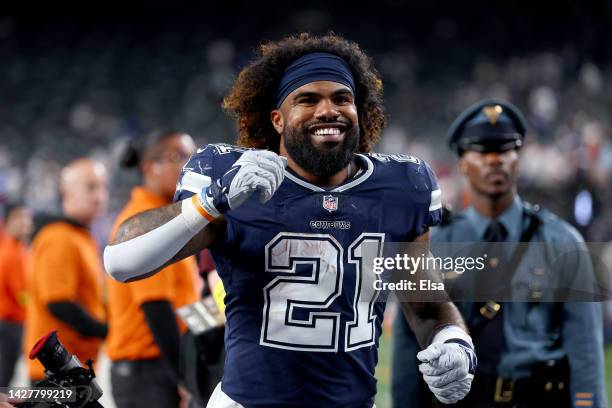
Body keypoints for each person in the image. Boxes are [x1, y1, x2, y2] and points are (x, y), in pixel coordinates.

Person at [104, 33, 477, 407]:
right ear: (278, 120)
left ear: (359, 112)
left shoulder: (402, 187)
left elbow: (427, 305)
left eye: (341, 98)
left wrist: (453, 341)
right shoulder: (233, 180)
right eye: (308, 99)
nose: (328, 110)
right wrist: (209, 202)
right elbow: (121, 263)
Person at [391, 99, 606, 407]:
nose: (496, 160)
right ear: (462, 162)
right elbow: (408, 350)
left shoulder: (562, 243)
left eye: (506, 150)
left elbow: (585, 356)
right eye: (482, 150)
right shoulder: (430, 247)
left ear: (518, 159)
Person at [106, 130, 199, 408]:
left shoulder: (168, 216)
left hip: (159, 364)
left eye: (192, 156)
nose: (190, 165)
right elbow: (156, 308)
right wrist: (183, 378)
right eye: (178, 156)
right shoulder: (141, 222)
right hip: (147, 371)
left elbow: (185, 297)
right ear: (149, 167)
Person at [24, 158, 108, 383]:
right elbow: (59, 302)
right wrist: (106, 330)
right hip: (57, 370)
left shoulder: (80, 237)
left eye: (103, 186)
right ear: (67, 192)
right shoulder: (59, 237)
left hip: (73, 366)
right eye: (91, 187)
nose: (100, 196)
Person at [0, 203, 32, 386]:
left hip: (13, 321)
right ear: (9, 222)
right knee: (6, 373)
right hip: (11, 323)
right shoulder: (11, 253)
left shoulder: (18, 249)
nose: (26, 223)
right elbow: (21, 294)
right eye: (20, 218)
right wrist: (36, 308)